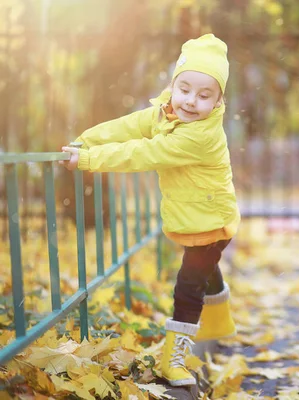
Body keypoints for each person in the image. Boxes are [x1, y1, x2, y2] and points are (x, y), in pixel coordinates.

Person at [61, 34, 239, 387]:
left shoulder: (198, 135)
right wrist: (88, 139)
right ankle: (221, 321)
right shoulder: (166, 111)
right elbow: (130, 126)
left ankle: (175, 359)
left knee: (188, 286)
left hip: (210, 219)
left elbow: (144, 153)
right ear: (173, 84)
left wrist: (90, 160)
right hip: (196, 215)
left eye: (205, 96)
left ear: (219, 101)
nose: (190, 101)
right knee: (204, 269)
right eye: (184, 88)